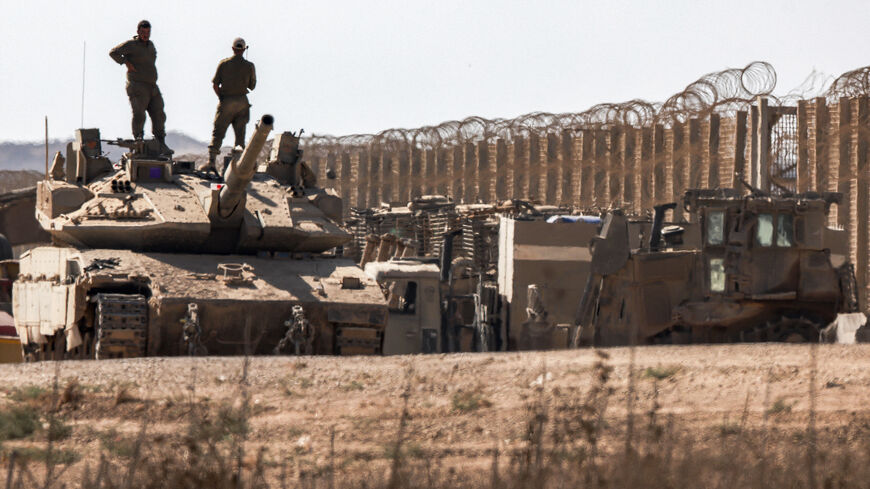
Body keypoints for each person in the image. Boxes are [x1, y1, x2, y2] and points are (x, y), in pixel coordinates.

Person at [109, 20, 171, 154]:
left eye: (148, 32)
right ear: (138, 32)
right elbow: (113, 52)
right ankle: (139, 142)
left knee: (159, 113)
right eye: (143, 32)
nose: (146, 35)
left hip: (152, 86)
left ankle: (160, 143)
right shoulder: (131, 45)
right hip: (137, 85)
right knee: (139, 114)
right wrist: (126, 62)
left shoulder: (151, 45)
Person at [202, 37, 257, 172]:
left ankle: (211, 162)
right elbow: (252, 86)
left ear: (233, 49)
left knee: (218, 132)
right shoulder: (249, 66)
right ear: (244, 50)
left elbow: (215, 84)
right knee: (240, 136)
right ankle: (239, 166)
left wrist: (222, 97)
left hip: (226, 102)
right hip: (242, 103)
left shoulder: (224, 64)